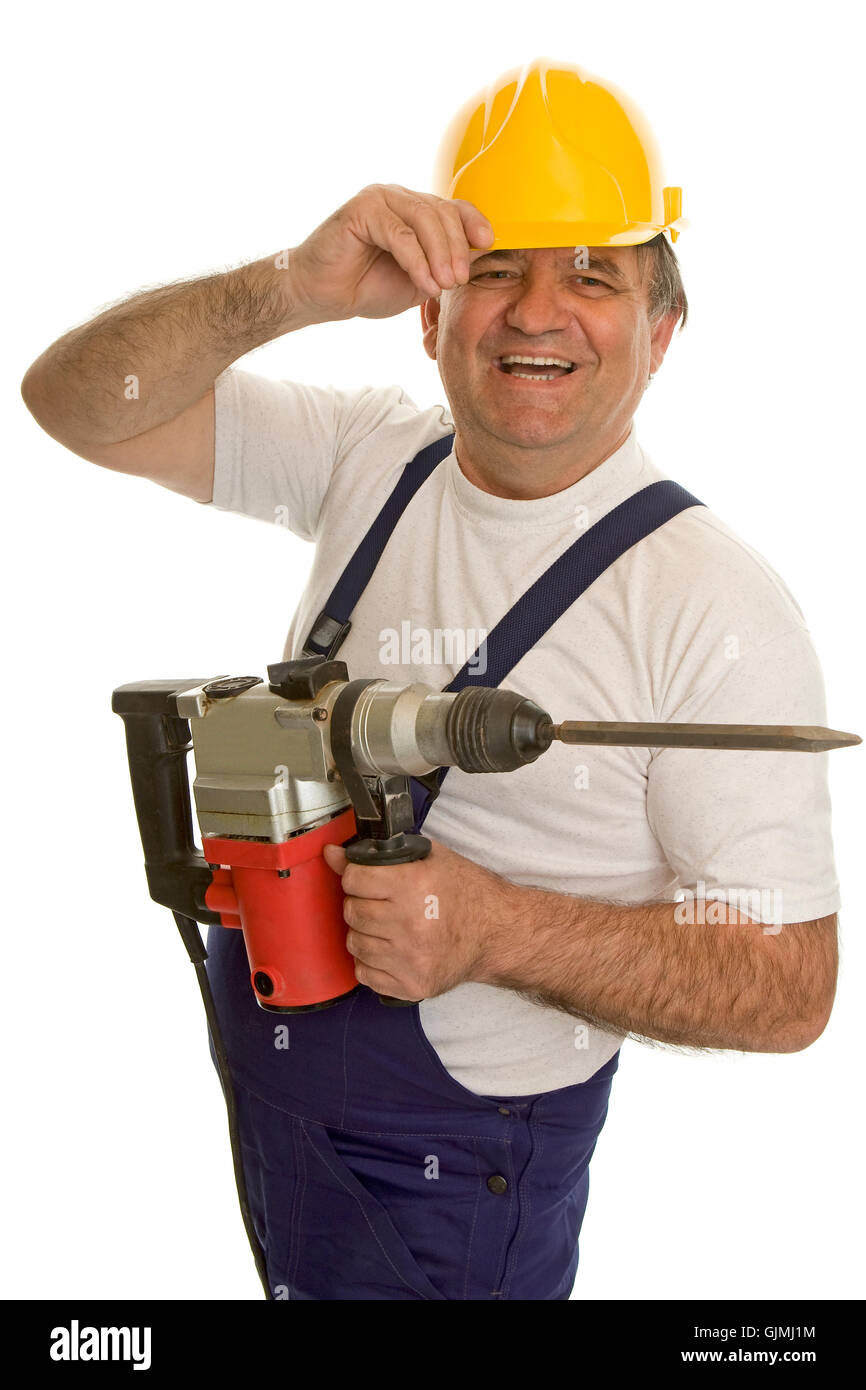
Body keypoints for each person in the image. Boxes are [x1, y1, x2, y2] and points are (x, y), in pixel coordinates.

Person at [20, 58, 840, 1301]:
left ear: (662, 329)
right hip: (279, 1105)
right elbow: (78, 403)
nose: (535, 311)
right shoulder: (366, 455)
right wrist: (286, 288)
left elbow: (787, 983)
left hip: (457, 1177)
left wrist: (496, 927)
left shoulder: (711, 605)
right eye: (496, 266)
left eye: (592, 273)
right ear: (427, 312)